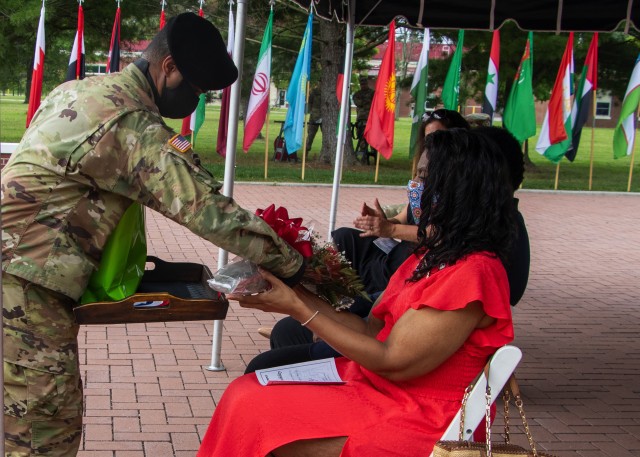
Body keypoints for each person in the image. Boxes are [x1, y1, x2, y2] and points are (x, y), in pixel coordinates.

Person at [1, 13, 304, 456]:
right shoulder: (131, 124)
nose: (196, 101)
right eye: (197, 90)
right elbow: (206, 211)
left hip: (19, 266)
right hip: (25, 279)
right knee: (45, 429)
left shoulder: (79, 90)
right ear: (169, 68)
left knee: (27, 412)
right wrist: (295, 263)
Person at [197, 129, 517, 456]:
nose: (415, 186)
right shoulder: (431, 257)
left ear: (459, 188)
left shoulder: (474, 273)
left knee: (253, 409)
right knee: (245, 391)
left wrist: (297, 308)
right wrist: (289, 290)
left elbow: (393, 361)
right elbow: (369, 331)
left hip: (418, 416)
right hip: (378, 389)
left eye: (424, 176)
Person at [305, 85, 322, 155]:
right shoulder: (315, 92)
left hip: (326, 116)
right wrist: (311, 111)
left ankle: (326, 152)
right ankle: (306, 151)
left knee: (327, 135)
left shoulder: (330, 91)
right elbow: (309, 102)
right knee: (310, 135)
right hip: (314, 116)